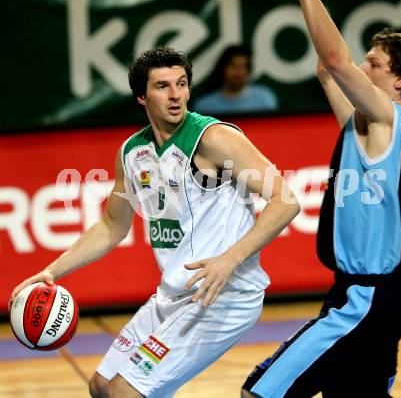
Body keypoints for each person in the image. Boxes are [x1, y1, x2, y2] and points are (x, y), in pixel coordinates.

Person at [9, 46, 300, 398]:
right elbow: (110, 227)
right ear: (141, 96)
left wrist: (230, 258)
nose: (175, 95)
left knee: (124, 392)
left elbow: (286, 200)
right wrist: (52, 272)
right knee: (101, 386)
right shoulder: (133, 153)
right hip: (173, 296)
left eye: (181, 83)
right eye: (163, 86)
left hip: (222, 296)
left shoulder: (214, 138)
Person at [242, 0, 401, 397]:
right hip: (381, 291)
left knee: (260, 392)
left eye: (375, 63)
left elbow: (334, 62)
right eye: (362, 59)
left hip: (370, 296)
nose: (362, 68)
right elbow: (328, 71)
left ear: (400, 81)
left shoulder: (386, 118)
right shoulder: (365, 125)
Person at [193, 44, 279, 114]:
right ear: (222, 68)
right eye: (233, 66)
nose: (238, 72)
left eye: (243, 67)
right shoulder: (205, 106)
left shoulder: (264, 98)